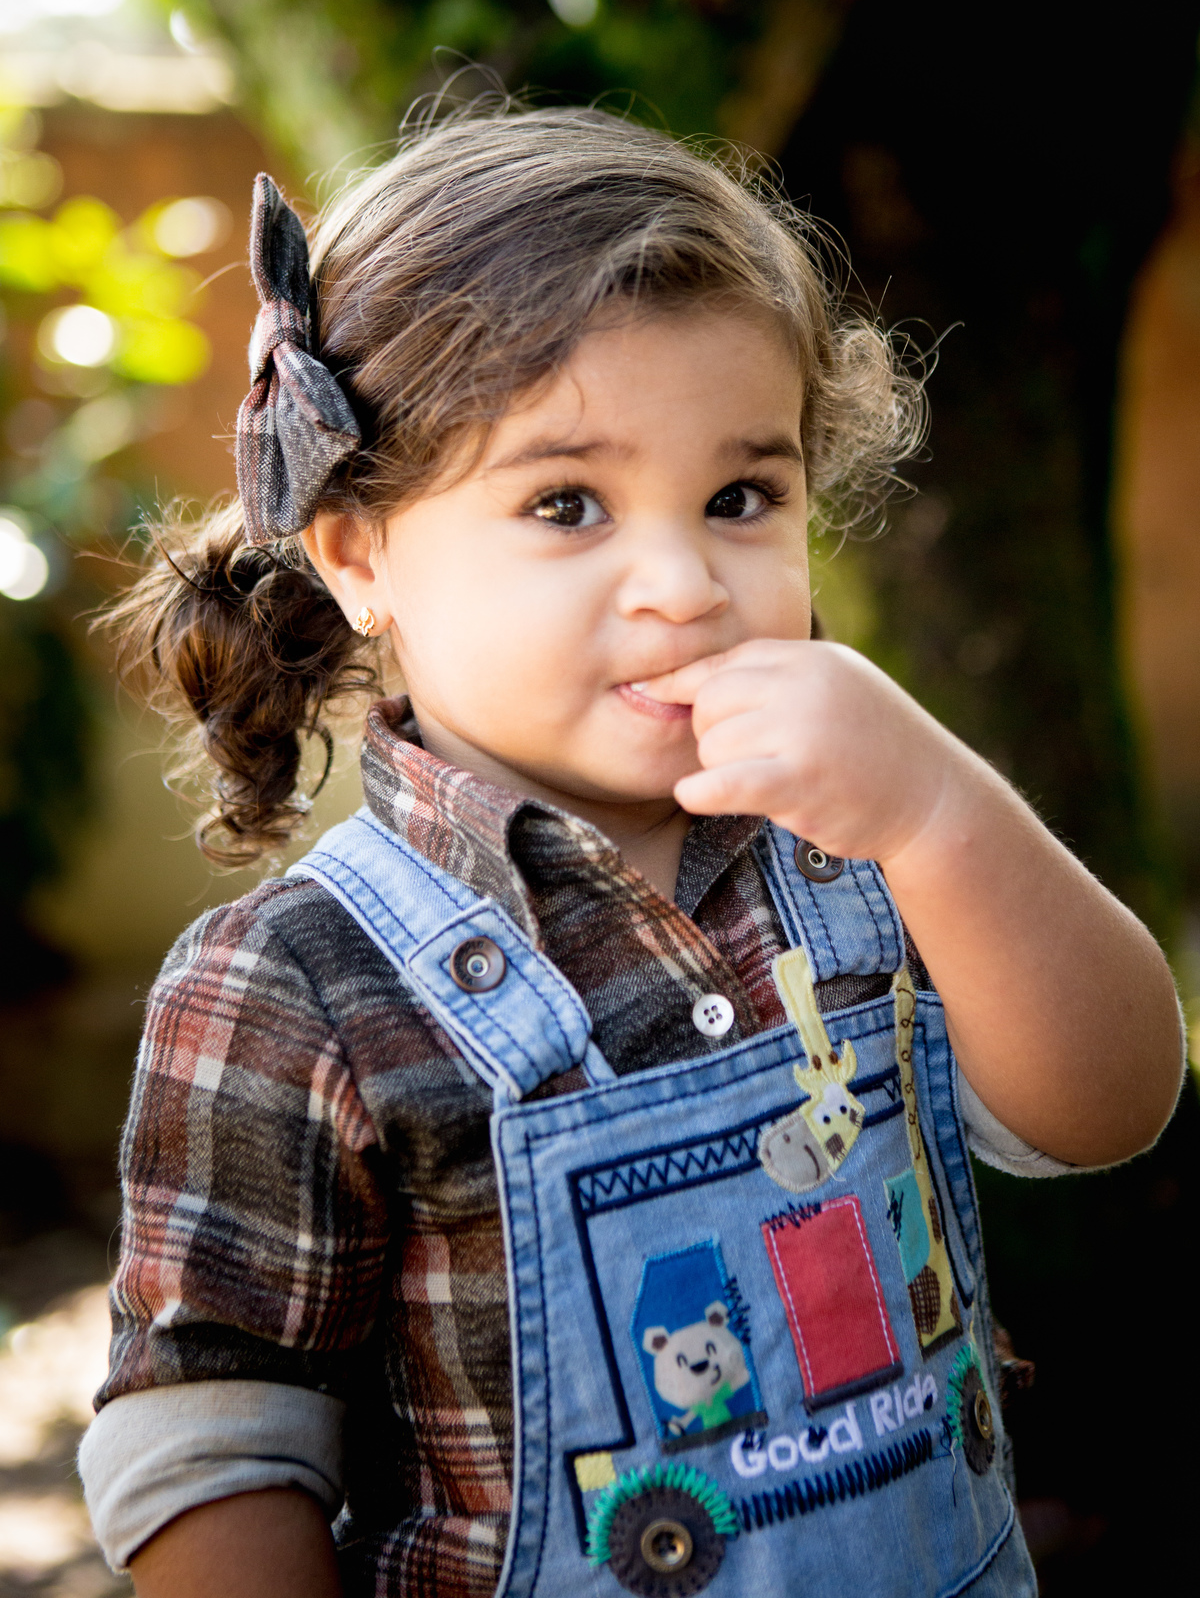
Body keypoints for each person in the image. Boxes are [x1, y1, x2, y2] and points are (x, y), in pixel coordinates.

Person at [78, 103, 1182, 1598]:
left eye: (741, 497)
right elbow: (215, 1450)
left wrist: (933, 807)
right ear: (357, 555)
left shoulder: (864, 847)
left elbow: (1111, 1102)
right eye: (566, 504)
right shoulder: (293, 986)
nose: (680, 584)